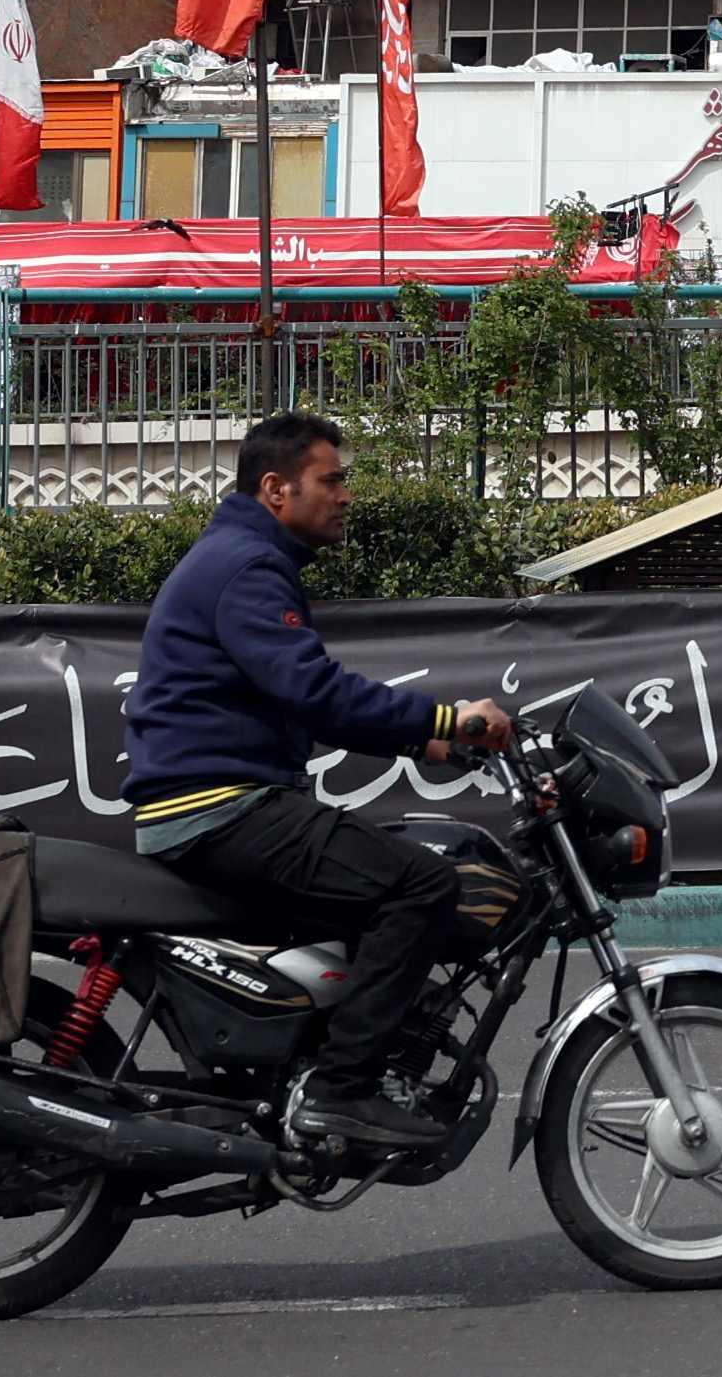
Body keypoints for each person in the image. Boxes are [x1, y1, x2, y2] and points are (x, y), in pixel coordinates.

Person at [128, 413, 514, 1151]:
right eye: (331, 480)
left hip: (220, 799)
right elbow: (315, 691)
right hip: (220, 808)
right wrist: (451, 717)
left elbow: (301, 702)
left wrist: (431, 742)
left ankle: (314, 1070)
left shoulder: (241, 556)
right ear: (277, 488)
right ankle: (343, 1091)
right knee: (422, 885)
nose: (345, 495)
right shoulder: (247, 566)